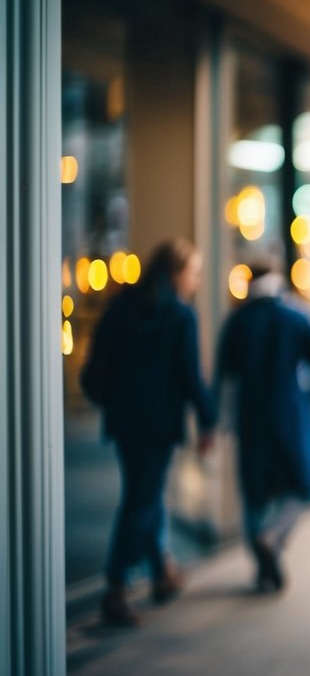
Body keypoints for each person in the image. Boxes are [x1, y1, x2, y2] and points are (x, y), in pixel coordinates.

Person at [81, 238, 215, 626]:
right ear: (175, 273)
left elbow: (99, 360)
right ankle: (117, 587)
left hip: (124, 421)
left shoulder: (121, 306)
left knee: (146, 493)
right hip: (158, 424)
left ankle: (161, 572)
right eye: (193, 273)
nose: (196, 281)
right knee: (141, 500)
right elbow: (191, 376)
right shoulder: (180, 315)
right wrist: (207, 421)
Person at [215, 257, 310, 593]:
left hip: (251, 418)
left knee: (255, 495)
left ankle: (263, 562)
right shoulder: (296, 316)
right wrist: (308, 396)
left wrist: (214, 422)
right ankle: (274, 537)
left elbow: (223, 374)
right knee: (303, 486)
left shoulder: (237, 322)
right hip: (290, 415)